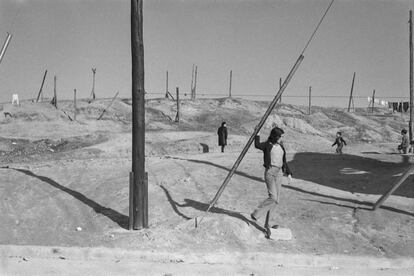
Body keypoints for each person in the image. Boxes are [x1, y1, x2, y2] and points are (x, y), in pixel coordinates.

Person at [251, 127, 292, 238]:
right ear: (275, 136)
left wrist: (288, 173)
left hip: (279, 173)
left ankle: (267, 225)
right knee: (273, 197)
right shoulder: (268, 145)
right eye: (280, 136)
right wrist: (257, 134)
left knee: (276, 200)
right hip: (270, 172)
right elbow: (257, 145)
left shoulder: (281, 147)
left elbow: (284, 161)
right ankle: (256, 214)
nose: (281, 138)